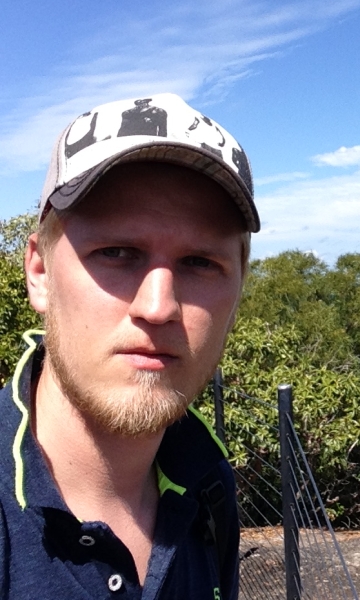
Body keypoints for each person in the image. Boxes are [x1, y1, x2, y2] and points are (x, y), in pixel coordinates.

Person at [0, 93, 260, 599]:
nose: (159, 306)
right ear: (40, 273)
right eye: (116, 252)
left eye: (201, 262)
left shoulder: (207, 484)